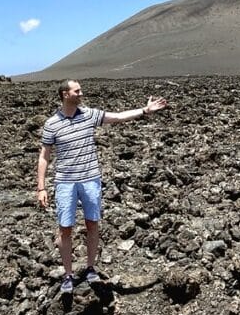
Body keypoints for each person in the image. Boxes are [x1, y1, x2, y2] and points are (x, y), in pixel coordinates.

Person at [37, 78, 167, 292]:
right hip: (65, 183)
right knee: (65, 229)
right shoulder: (52, 123)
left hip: (90, 179)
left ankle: (90, 268)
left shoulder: (89, 114)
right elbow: (44, 156)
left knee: (92, 224)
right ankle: (68, 275)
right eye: (76, 91)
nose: (81, 94)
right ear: (65, 94)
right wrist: (41, 187)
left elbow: (117, 117)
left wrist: (144, 110)